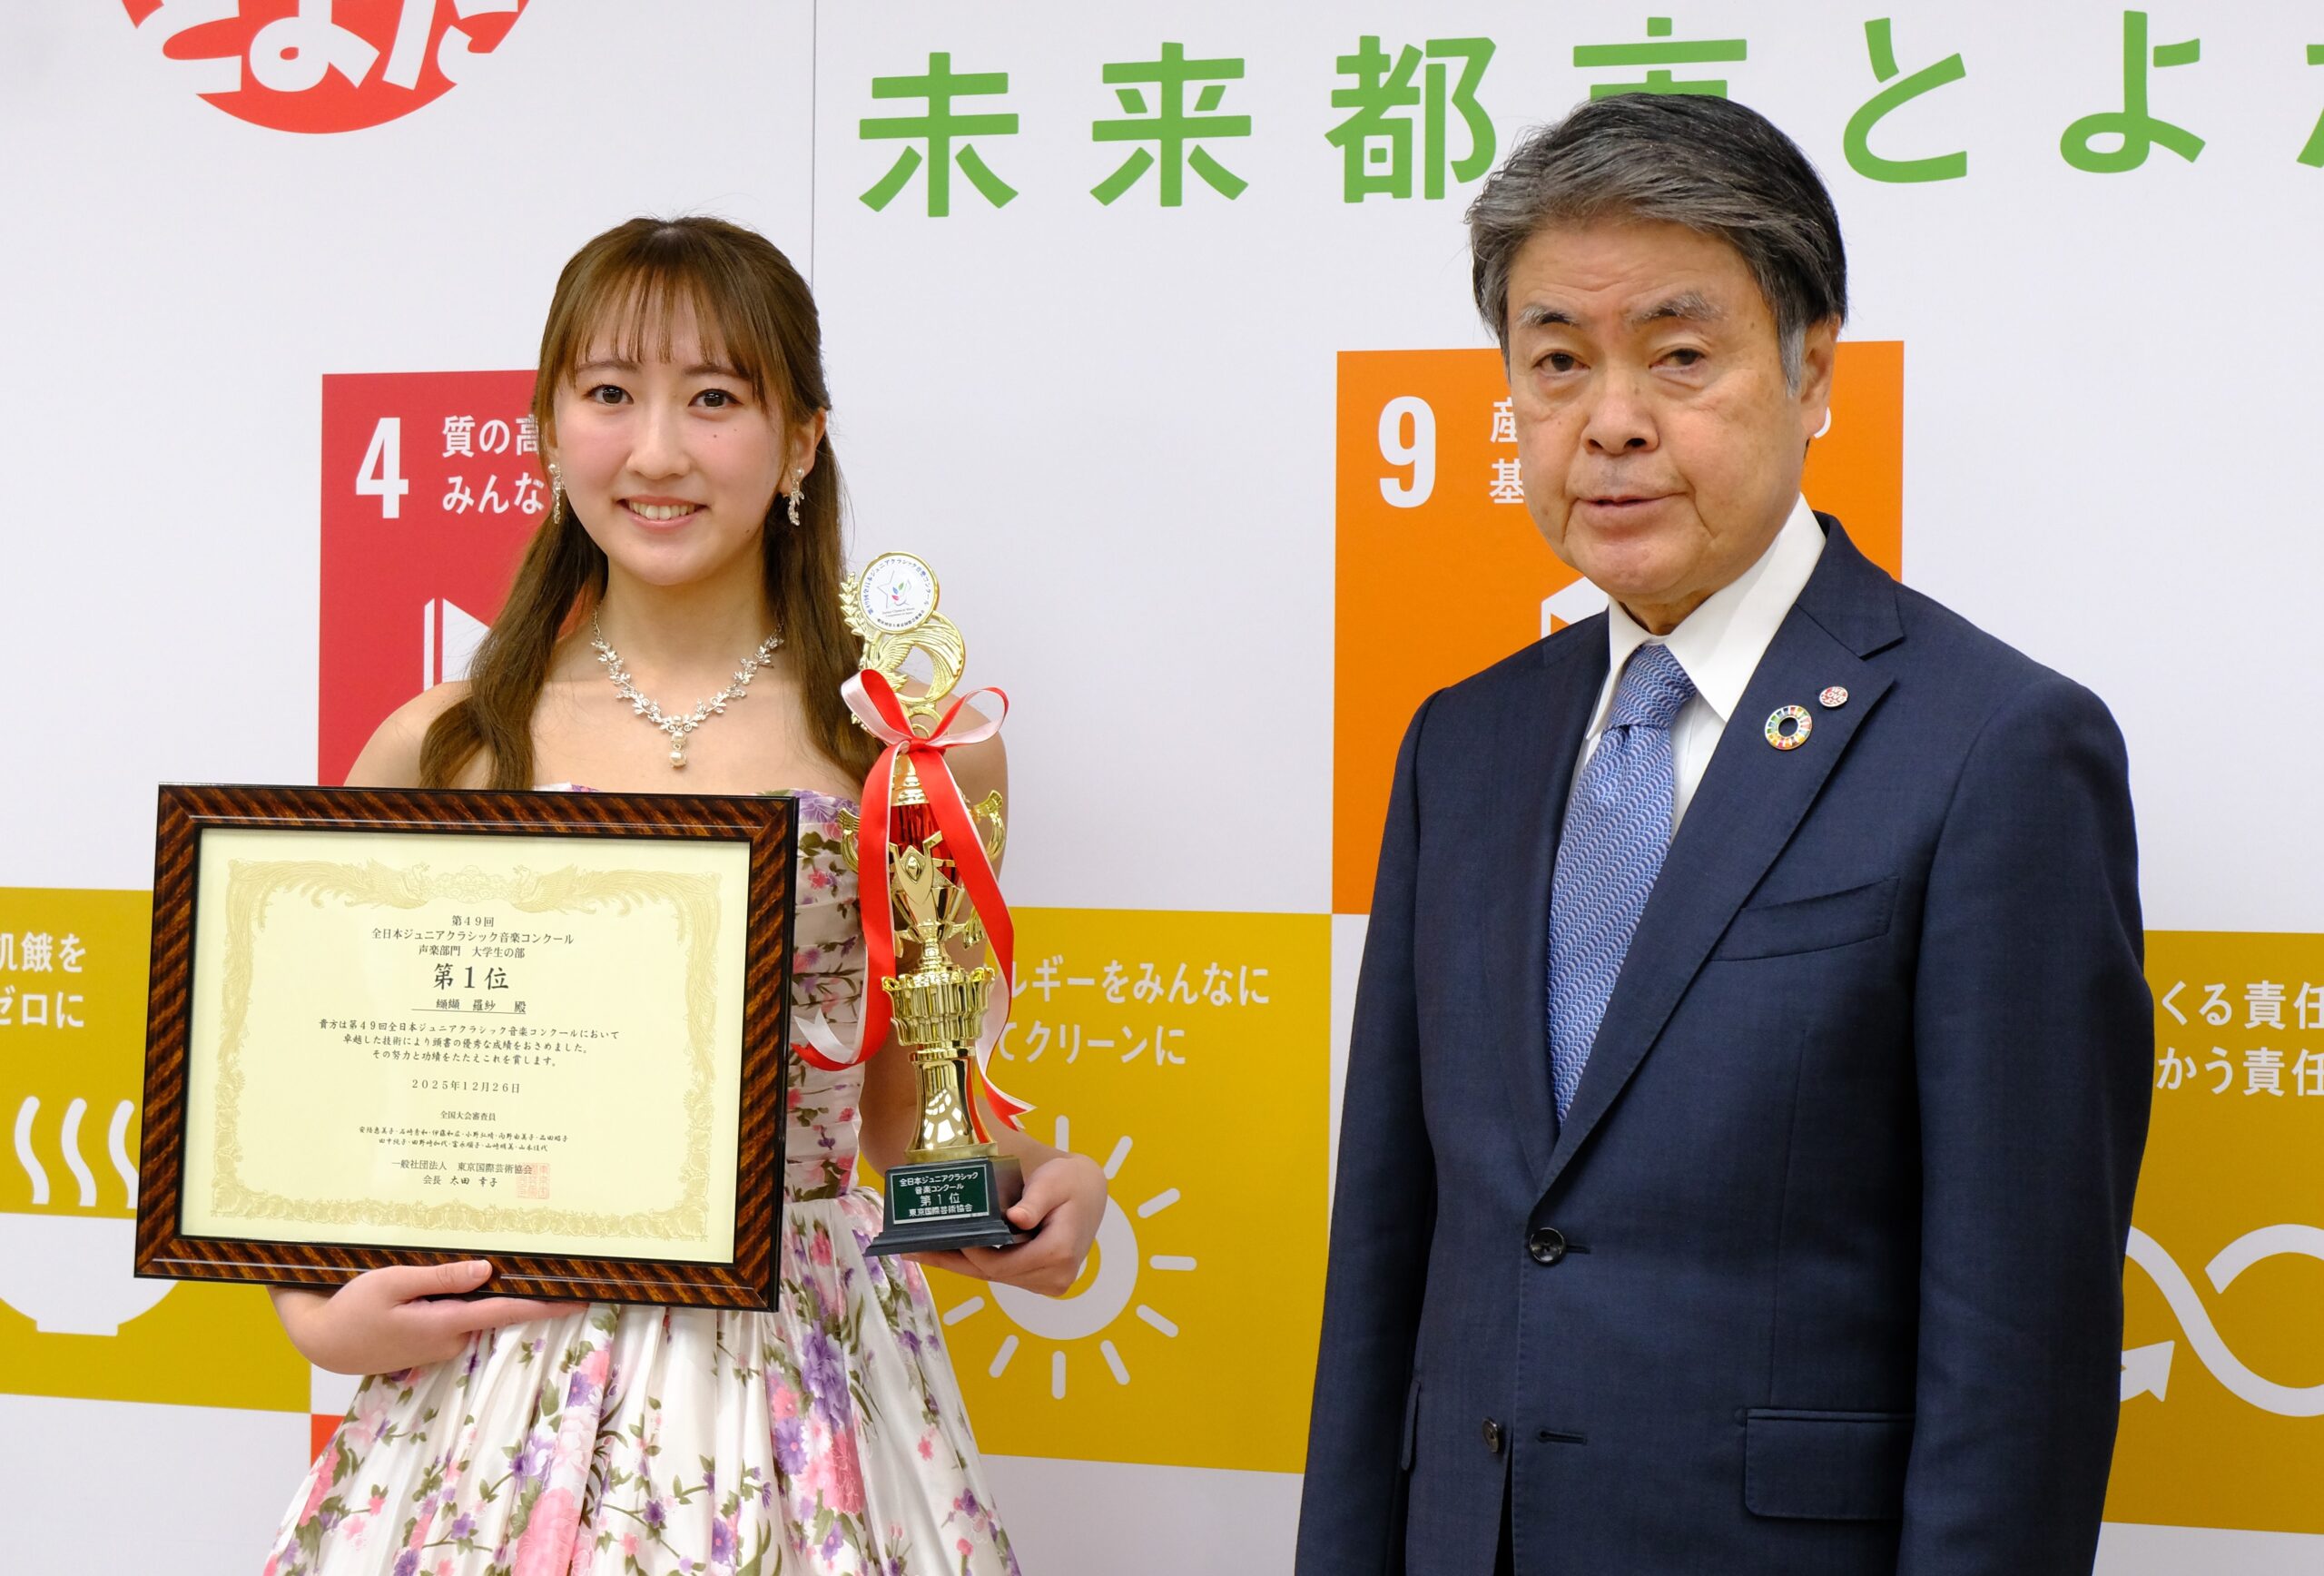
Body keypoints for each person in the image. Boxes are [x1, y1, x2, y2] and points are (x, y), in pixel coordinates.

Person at [1296, 94, 2151, 1576]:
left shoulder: (1997, 748)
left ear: (1813, 369)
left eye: (1680, 355)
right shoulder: (1463, 743)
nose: (1612, 421)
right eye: (1557, 362)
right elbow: (1388, 1257)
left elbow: (2025, 1344)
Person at [261, 215, 1103, 1576]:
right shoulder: (447, 746)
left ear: (803, 441)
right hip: (495, 1390)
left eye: (714, 398)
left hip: (801, 1381)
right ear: (548, 430)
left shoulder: (913, 754)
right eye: (610, 393)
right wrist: (315, 1312)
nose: (656, 451)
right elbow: (334, 1107)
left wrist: (1029, 1197)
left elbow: (903, 1120)